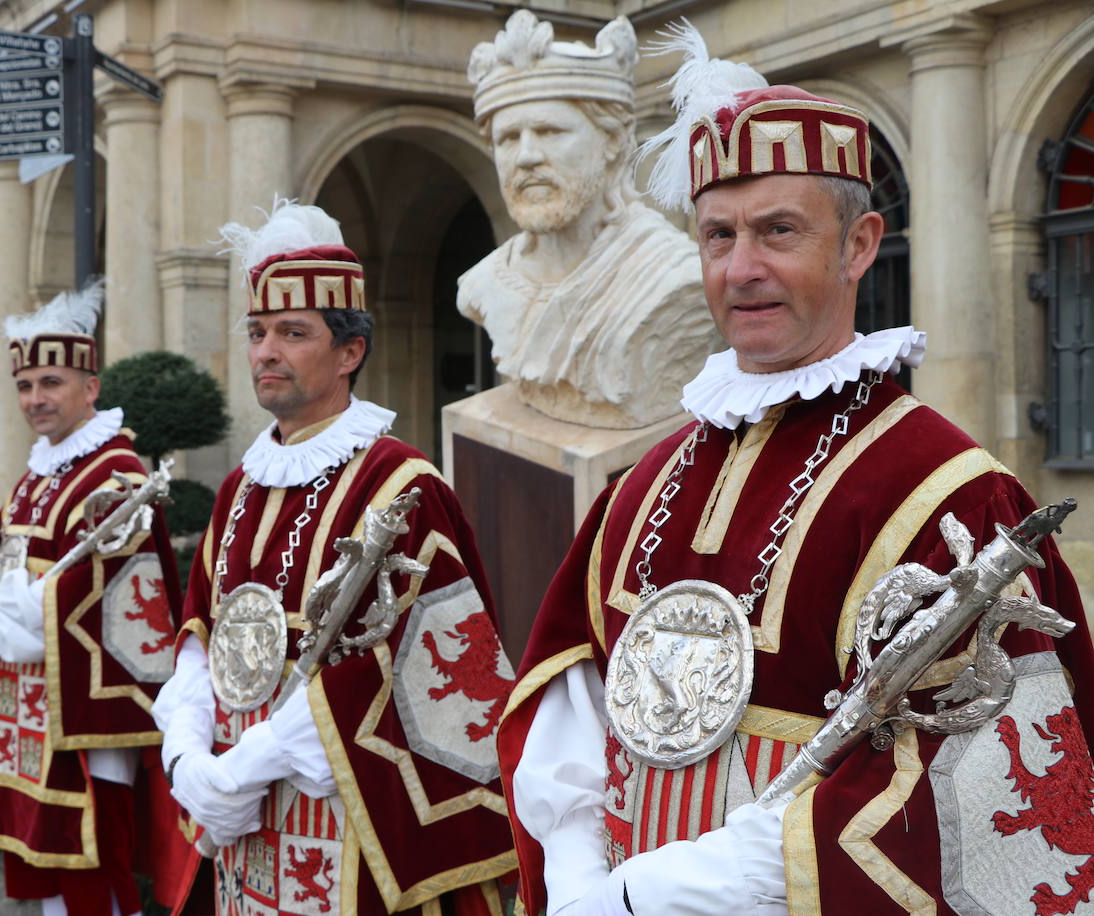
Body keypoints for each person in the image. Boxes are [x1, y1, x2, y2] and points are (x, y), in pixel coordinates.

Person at [496, 23, 1094, 916]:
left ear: (858, 246)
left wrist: (666, 891)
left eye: (779, 231)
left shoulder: (948, 491)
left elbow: (980, 795)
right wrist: (581, 877)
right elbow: (571, 692)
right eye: (717, 235)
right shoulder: (643, 485)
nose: (742, 269)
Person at [152, 202, 517, 915]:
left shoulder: (403, 486)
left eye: (293, 333)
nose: (265, 351)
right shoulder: (239, 486)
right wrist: (189, 756)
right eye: (257, 333)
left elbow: (417, 667)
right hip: (236, 815)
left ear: (350, 352)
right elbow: (200, 630)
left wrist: (251, 765)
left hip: (348, 816)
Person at [0, 282, 183, 916]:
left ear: (90, 387)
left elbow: (111, 590)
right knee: (43, 859)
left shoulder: (117, 473)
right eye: (25, 386)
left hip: (85, 709)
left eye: (50, 382)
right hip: (23, 700)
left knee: (95, 862)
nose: (35, 399)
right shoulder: (38, 471)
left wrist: (7, 611)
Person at [457, 9, 715, 430]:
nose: (526, 156)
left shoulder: (674, 277)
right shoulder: (482, 283)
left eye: (550, 132)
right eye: (507, 138)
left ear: (612, 141)